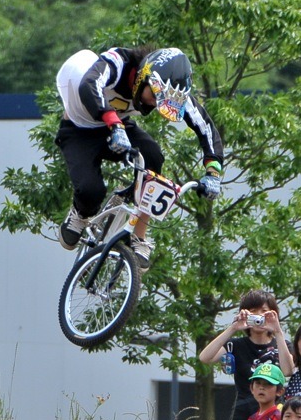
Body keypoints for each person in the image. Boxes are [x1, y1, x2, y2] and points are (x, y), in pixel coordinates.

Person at [54, 46, 224, 268]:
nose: (154, 104)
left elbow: (205, 127)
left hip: (120, 127)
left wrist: (213, 171)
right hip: (80, 129)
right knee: (91, 191)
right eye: (154, 97)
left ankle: (139, 234)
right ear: (143, 78)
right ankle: (79, 212)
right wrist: (114, 124)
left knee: (153, 156)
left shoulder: (170, 89)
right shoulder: (117, 63)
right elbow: (89, 84)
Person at [198, 290, 294, 420]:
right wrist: (233, 328)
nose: (259, 317)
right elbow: (205, 357)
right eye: (253, 311)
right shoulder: (236, 344)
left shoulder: (282, 344)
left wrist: (278, 331)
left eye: (264, 311)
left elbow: (288, 370)